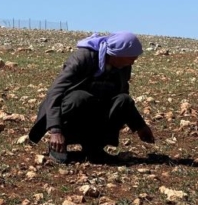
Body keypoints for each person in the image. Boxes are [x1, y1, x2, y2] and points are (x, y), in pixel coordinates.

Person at [28, 31, 155, 163]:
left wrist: (140, 126)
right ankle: (59, 144)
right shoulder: (82, 58)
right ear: (118, 53)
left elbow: (123, 98)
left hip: (96, 110)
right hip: (73, 107)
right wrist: (55, 130)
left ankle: (94, 148)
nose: (133, 63)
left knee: (123, 100)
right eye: (131, 58)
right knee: (80, 97)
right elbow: (55, 92)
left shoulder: (123, 66)